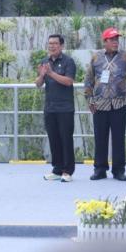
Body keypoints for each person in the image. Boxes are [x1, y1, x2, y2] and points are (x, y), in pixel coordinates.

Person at [84, 27, 126, 181]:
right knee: (100, 138)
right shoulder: (96, 57)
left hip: (119, 104)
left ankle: (118, 170)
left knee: (119, 138)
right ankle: (100, 169)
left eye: (117, 39)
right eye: (112, 39)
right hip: (99, 104)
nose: (115, 42)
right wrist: (89, 99)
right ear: (105, 41)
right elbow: (88, 79)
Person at [35, 34, 76, 183]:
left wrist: (51, 73)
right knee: (54, 139)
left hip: (65, 108)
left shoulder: (68, 61)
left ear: (62, 46)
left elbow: (68, 81)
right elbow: (38, 84)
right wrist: (42, 75)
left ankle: (67, 171)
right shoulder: (44, 62)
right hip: (50, 108)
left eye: (55, 43)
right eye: (50, 43)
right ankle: (57, 169)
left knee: (66, 139)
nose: (52, 46)